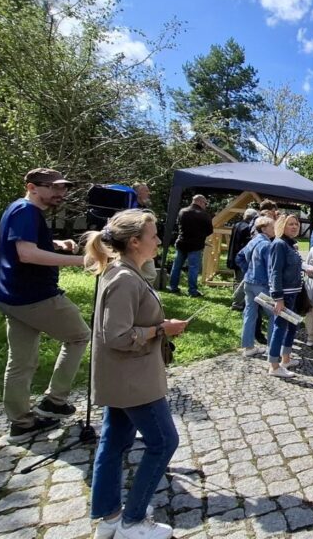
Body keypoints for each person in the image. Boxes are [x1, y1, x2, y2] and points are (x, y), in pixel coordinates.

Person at [85, 209, 186, 539]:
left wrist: (157, 327)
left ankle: (109, 515)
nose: (159, 240)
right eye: (154, 235)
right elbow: (115, 335)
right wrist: (159, 329)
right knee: (164, 442)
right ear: (134, 242)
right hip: (134, 379)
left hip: (124, 377)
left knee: (114, 443)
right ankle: (133, 520)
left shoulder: (124, 272)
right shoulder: (125, 278)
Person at [0, 168, 89, 442]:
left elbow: (22, 245)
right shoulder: (27, 211)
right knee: (79, 336)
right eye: (54, 187)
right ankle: (55, 401)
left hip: (11, 297)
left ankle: (21, 423)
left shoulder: (18, 208)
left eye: (63, 188)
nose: (61, 193)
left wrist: (56, 244)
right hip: (36, 297)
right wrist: (82, 261)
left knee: (21, 362)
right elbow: (26, 254)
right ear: (32, 187)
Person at [266, 214, 303, 377]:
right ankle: (274, 365)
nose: (294, 227)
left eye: (296, 224)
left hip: (294, 292)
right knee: (280, 327)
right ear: (282, 226)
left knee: (293, 326)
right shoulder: (279, 244)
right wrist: (278, 298)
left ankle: (285, 358)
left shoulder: (291, 244)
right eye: (290, 224)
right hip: (284, 295)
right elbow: (275, 272)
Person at [236, 216, 275, 357]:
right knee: (274, 314)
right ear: (264, 228)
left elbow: (239, 257)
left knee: (250, 313)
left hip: (248, 283)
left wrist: (249, 270)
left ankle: (248, 347)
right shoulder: (267, 245)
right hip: (262, 285)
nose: (274, 229)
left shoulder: (253, 241)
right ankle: (273, 347)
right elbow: (271, 268)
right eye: (272, 226)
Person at [168, 194, 213, 297]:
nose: (205, 205)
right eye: (205, 203)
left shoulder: (182, 211)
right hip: (196, 245)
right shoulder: (204, 215)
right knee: (193, 268)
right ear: (200, 202)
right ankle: (192, 291)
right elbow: (210, 231)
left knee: (176, 266)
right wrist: (200, 236)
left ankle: (172, 287)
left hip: (182, 242)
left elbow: (178, 225)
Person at [228, 208, 257, 311]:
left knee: (237, 280)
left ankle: (236, 300)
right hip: (241, 258)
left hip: (233, 255)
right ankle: (238, 303)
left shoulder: (236, 225)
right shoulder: (247, 228)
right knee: (241, 281)